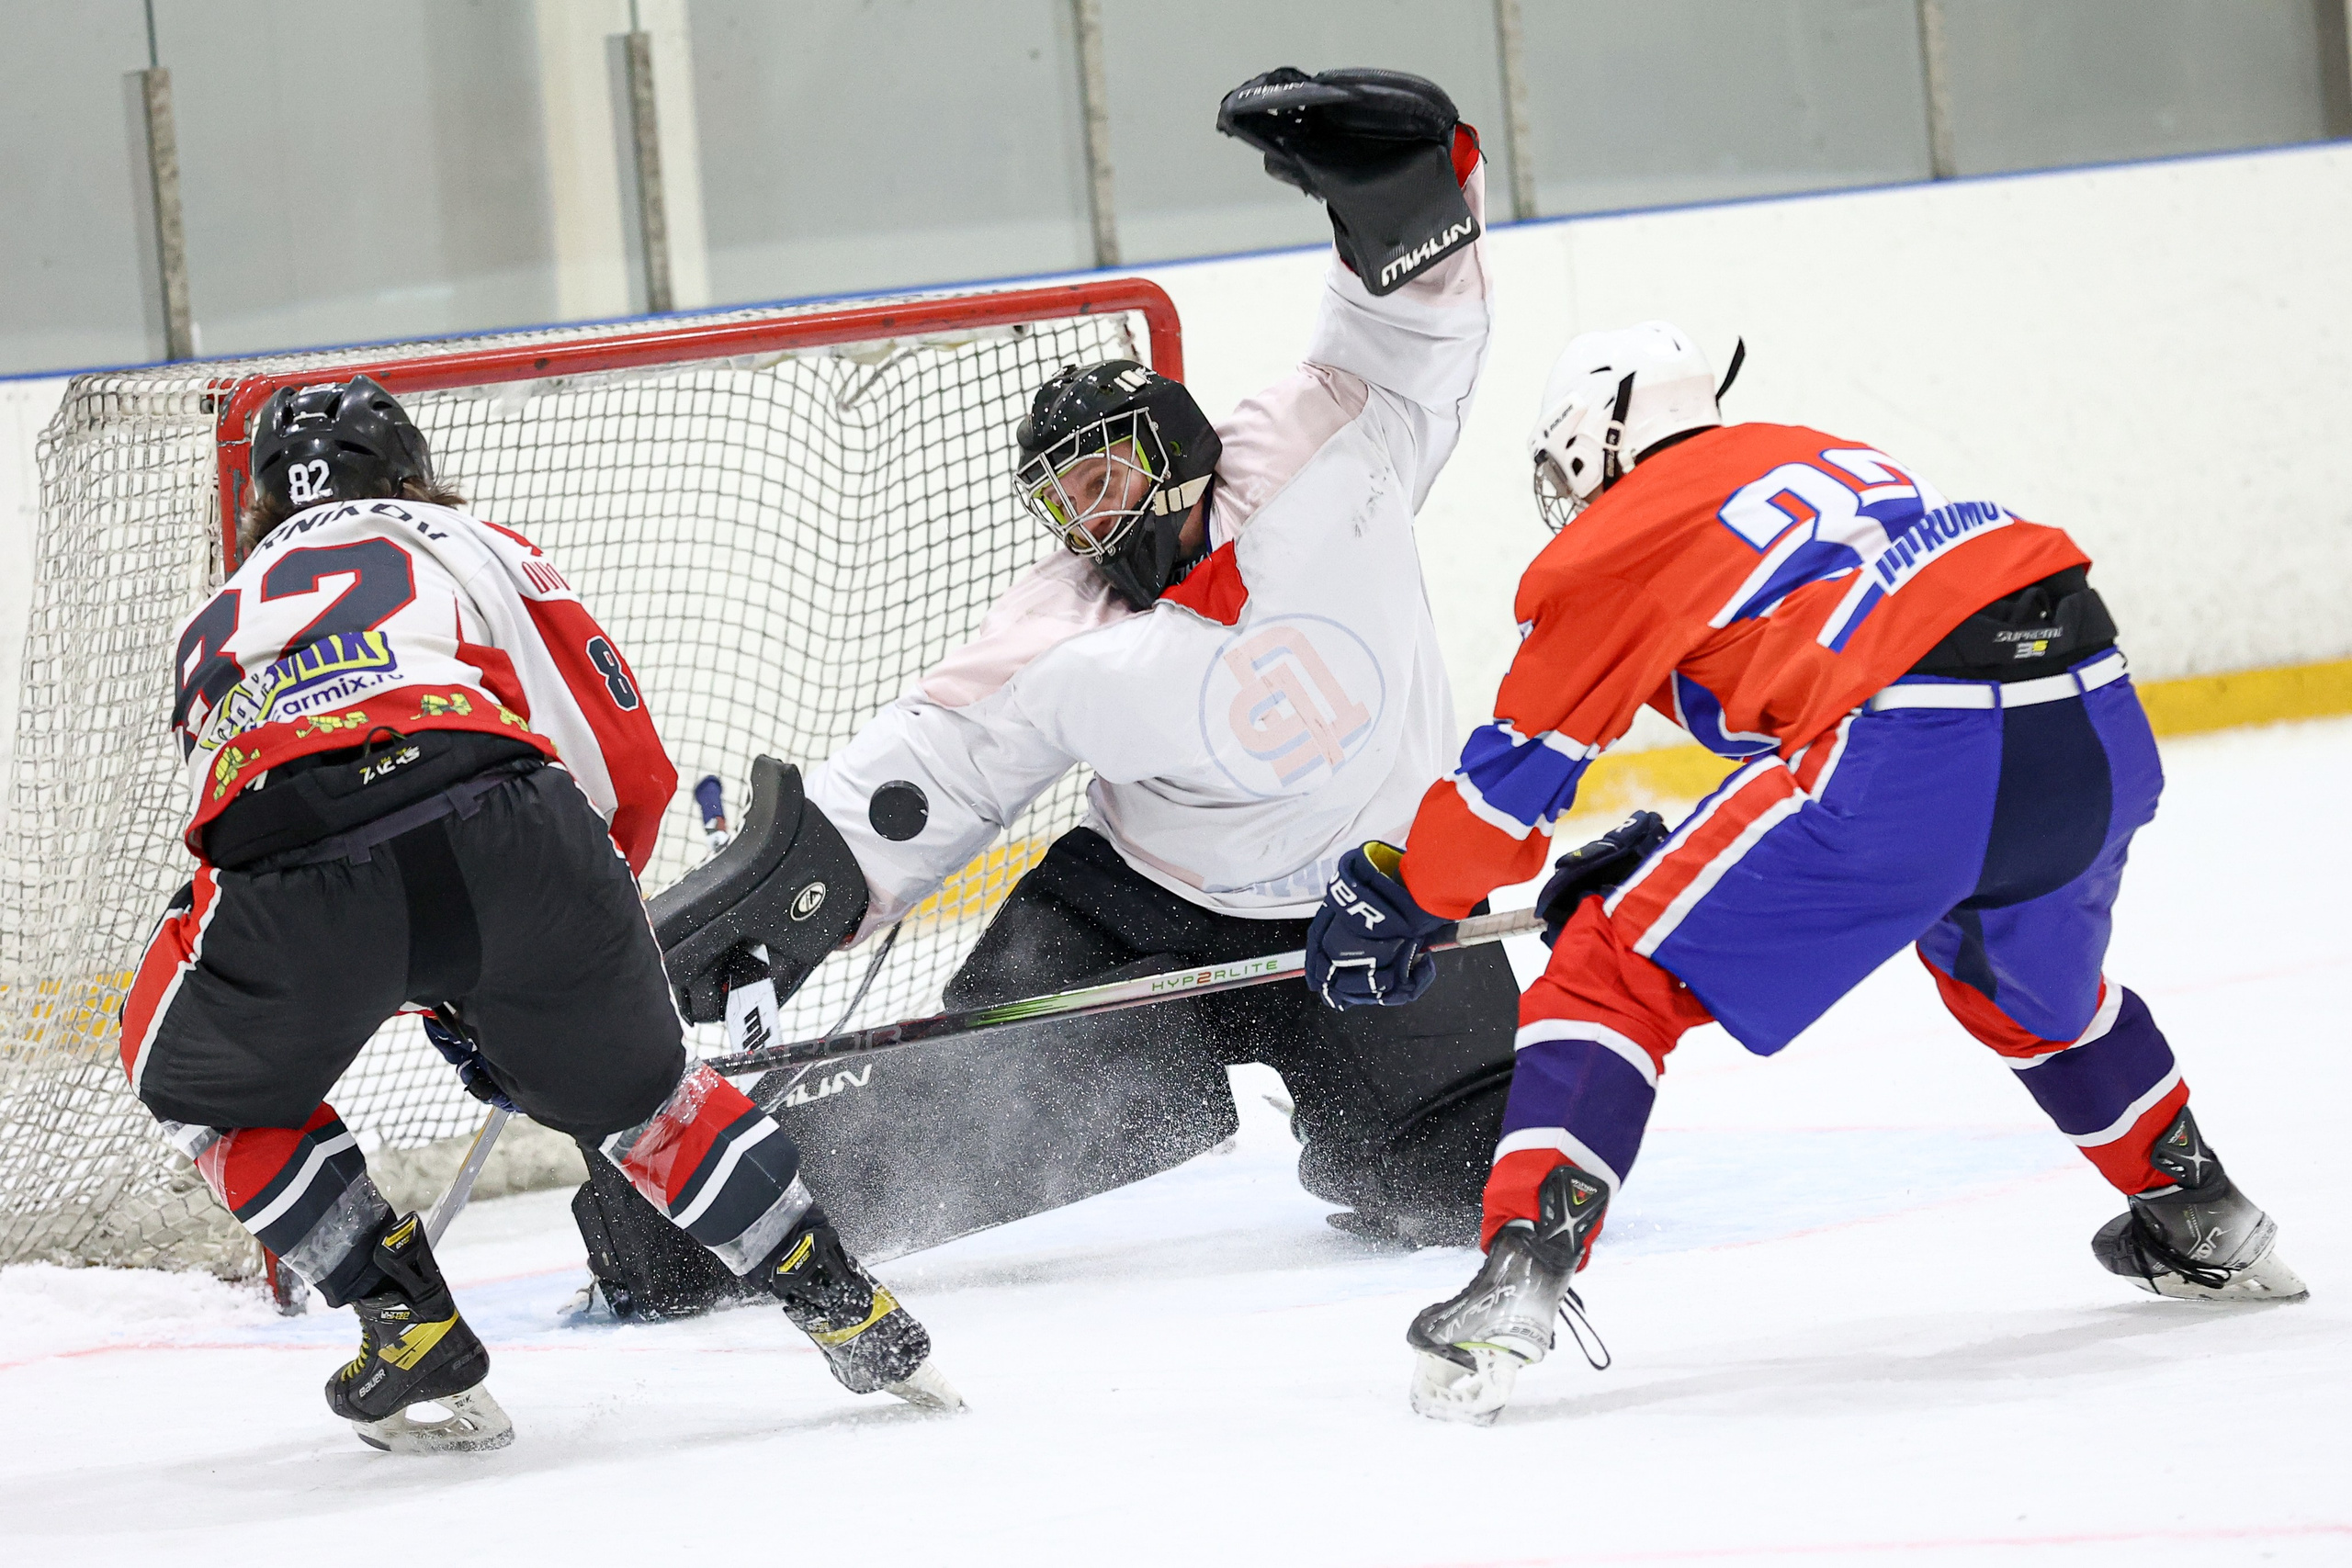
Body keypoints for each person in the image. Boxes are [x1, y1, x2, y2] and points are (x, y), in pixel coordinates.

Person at [573, 67, 1520, 1316]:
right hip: (1143, 914)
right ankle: (678, 1219)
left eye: (1107, 474)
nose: (1091, 514)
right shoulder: (1060, 628)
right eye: (1064, 497)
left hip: (1377, 896)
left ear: (1178, 444)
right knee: (971, 1113)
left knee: (1467, 1182)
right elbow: (929, 776)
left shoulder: (1320, 446)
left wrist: (1400, 190)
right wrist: (782, 908)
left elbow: (1410, 336)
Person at [1303, 321, 2309, 1425]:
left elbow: (1503, 807)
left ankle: (1517, 1280)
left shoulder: (1616, 541)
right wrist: (1685, 852)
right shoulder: (1819, 456)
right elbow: (1847, 675)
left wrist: (1405, 893)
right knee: (2028, 989)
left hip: (1910, 742)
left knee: (1606, 968)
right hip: (2091, 713)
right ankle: (2199, 1211)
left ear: (1592, 442)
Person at [124, 375, 957, 1453]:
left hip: (293, 854)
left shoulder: (213, 616)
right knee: (651, 1100)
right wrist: (543, 972)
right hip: (512, 825)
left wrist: (438, 973)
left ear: (261, 509)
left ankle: (402, 1318)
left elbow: (251, 825)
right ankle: (842, 1297)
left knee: (196, 1090)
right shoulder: (464, 539)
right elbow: (627, 772)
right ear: (412, 473)